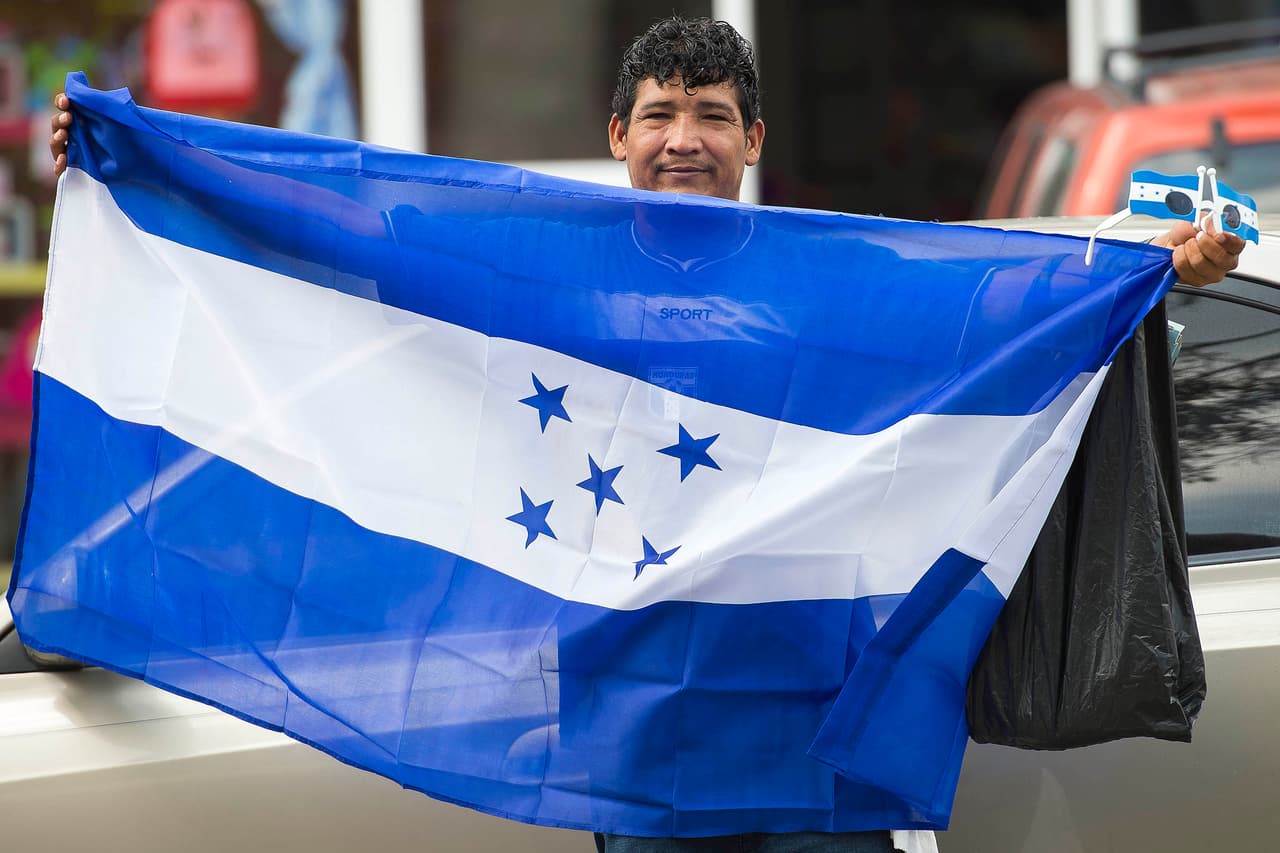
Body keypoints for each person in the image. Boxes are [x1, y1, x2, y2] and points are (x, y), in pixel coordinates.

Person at [46, 15, 1244, 853]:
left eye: (713, 116)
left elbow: (1010, 295)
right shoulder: (540, 297)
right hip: (634, 745)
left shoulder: (842, 283)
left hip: (819, 742)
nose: (685, 138)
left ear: (753, 142)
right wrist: (147, 160)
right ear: (615, 134)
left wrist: (1156, 262)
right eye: (660, 114)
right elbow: (344, 237)